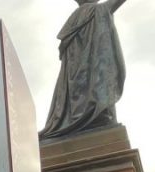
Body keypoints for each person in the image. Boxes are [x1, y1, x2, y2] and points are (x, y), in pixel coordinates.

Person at [40, 0, 127, 140]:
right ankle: (92, 116)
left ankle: (78, 118)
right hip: (93, 89)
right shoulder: (99, 9)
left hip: (74, 91)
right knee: (101, 117)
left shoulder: (72, 21)